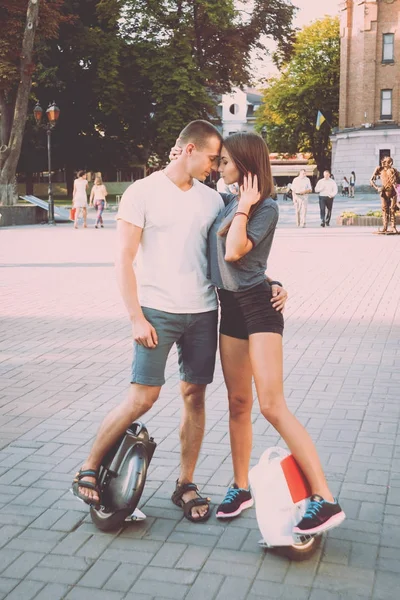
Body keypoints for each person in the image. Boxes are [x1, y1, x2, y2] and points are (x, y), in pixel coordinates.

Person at [71, 121, 232, 522]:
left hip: (202, 311)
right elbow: (123, 258)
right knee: (143, 398)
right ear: (190, 149)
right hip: (156, 312)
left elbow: (234, 255)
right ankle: (88, 466)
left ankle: (186, 484)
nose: (215, 166)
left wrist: (272, 284)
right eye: (212, 158)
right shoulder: (142, 192)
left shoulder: (212, 201)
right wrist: (135, 317)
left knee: (195, 396)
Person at [206, 132, 345, 535]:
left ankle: (324, 497)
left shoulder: (262, 207)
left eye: (228, 161)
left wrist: (246, 207)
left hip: (258, 309)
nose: (221, 167)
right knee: (237, 402)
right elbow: (234, 263)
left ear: (246, 166)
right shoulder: (230, 200)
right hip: (229, 307)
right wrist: (274, 277)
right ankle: (240, 486)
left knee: (271, 405)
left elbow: (234, 251)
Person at [370, 156, 400, 234]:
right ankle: (385, 227)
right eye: (383, 161)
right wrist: (377, 188)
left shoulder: (394, 171)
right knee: (384, 210)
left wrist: (395, 182)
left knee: (392, 210)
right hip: (383, 193)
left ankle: (393, 227)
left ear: (390, 163)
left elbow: (399, 181)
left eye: (386, 162)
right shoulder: (379, 169)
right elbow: (371, 180)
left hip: (393, 193)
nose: (383, 163)